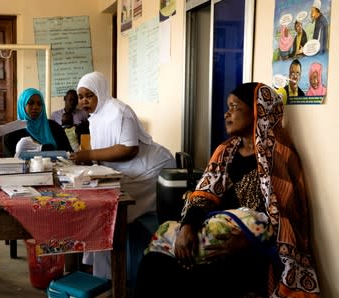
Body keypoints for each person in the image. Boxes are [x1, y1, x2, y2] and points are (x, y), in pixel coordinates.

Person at [134, 83, 321, 297]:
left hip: (253, 251)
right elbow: (205, 192)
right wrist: (187, 227)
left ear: (258, 110)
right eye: (227, 107)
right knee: (153, 263)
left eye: (234, 107)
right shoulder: (226, 151)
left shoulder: (279, 156)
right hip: (215, 234)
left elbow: (288, 220)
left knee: (190, 278)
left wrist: (247, 243)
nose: (226, 114)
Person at [69, 71, 176, 287]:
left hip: (152, 169)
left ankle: (108, 277)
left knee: (107, 210)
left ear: (100, 91)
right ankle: (100, 273)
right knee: (99, 209)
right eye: (81, 97)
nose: (84, 101)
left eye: (89, 95)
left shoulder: (119, 112)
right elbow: (104, 153)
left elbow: (128, 149)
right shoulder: (97, 117)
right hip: (128, 171)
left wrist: (88, 155)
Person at [2, 88, 73, 157]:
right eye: (30, 103)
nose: (35, 107)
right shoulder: (11, 132)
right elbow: (9, 162)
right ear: (22, 105)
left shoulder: (54, 127)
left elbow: (69, 152)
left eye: (39, 104)